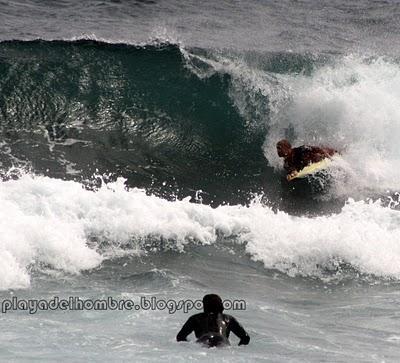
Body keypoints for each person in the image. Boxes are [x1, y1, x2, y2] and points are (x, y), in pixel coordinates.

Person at [176, 294, 250, 348]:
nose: (223, 307)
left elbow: (180, 337)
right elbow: (245, 338)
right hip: (222, 340)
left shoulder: (195, 318)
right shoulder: (228, 318)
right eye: (221, 304)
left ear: (205, 306)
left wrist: (189, 347)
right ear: (220, 306)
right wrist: (237, 349)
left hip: (204, 339)